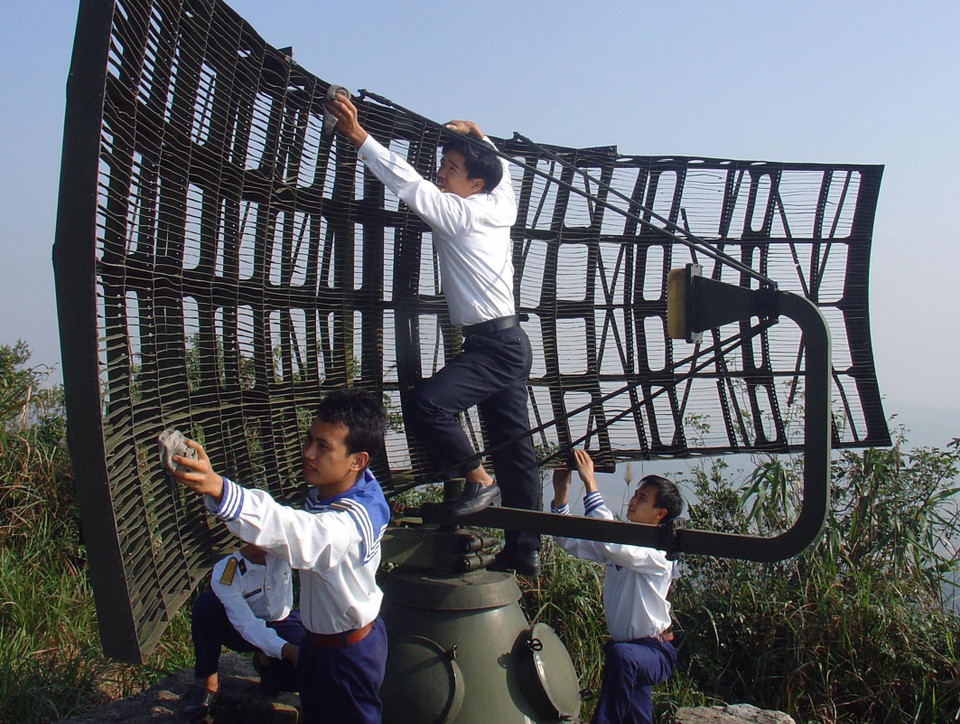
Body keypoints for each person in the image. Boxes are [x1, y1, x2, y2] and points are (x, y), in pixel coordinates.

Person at [328, 93, 542, 576]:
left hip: (495, 346)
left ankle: (478, 480)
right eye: (442, 164)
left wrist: (361, 139)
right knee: (516, 450)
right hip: (506, 343)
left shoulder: (459, 214)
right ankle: (525, 551)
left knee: (427, 405)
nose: (441, 173)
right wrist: (480, 134)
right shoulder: (498, 202)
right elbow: (504, 175)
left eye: (451, 167)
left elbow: (408, 185)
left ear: (475, 183)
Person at [170, 389, 391, 724]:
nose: (308, 453)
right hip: (321, 642)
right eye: (310, 440)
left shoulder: (349, 524)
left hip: (346, 654)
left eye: (323, 447)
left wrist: (219, 488)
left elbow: (296, 532)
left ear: (357, 461)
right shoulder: (350, 487)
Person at [551, 450, 683, 724]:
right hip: (631, 652)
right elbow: (571, 542)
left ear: (660, 514)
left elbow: (611, 543)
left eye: (642, 498)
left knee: (621, 656)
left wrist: (590, 484)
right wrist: (561, 496)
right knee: (636, 716)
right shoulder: (627, 546)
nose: (633, 501)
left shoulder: (659, 556)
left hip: (654, 651)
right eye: (635, 494)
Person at [180, 543, 303, 721]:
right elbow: (246, 624)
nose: (258, 541)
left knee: (312, 664)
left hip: (280, 622)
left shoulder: (284, 548)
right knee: (206, 606)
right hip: (239, 628)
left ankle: (267, 665)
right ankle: (209, 683)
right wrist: (288, 650)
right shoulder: (227, 567)